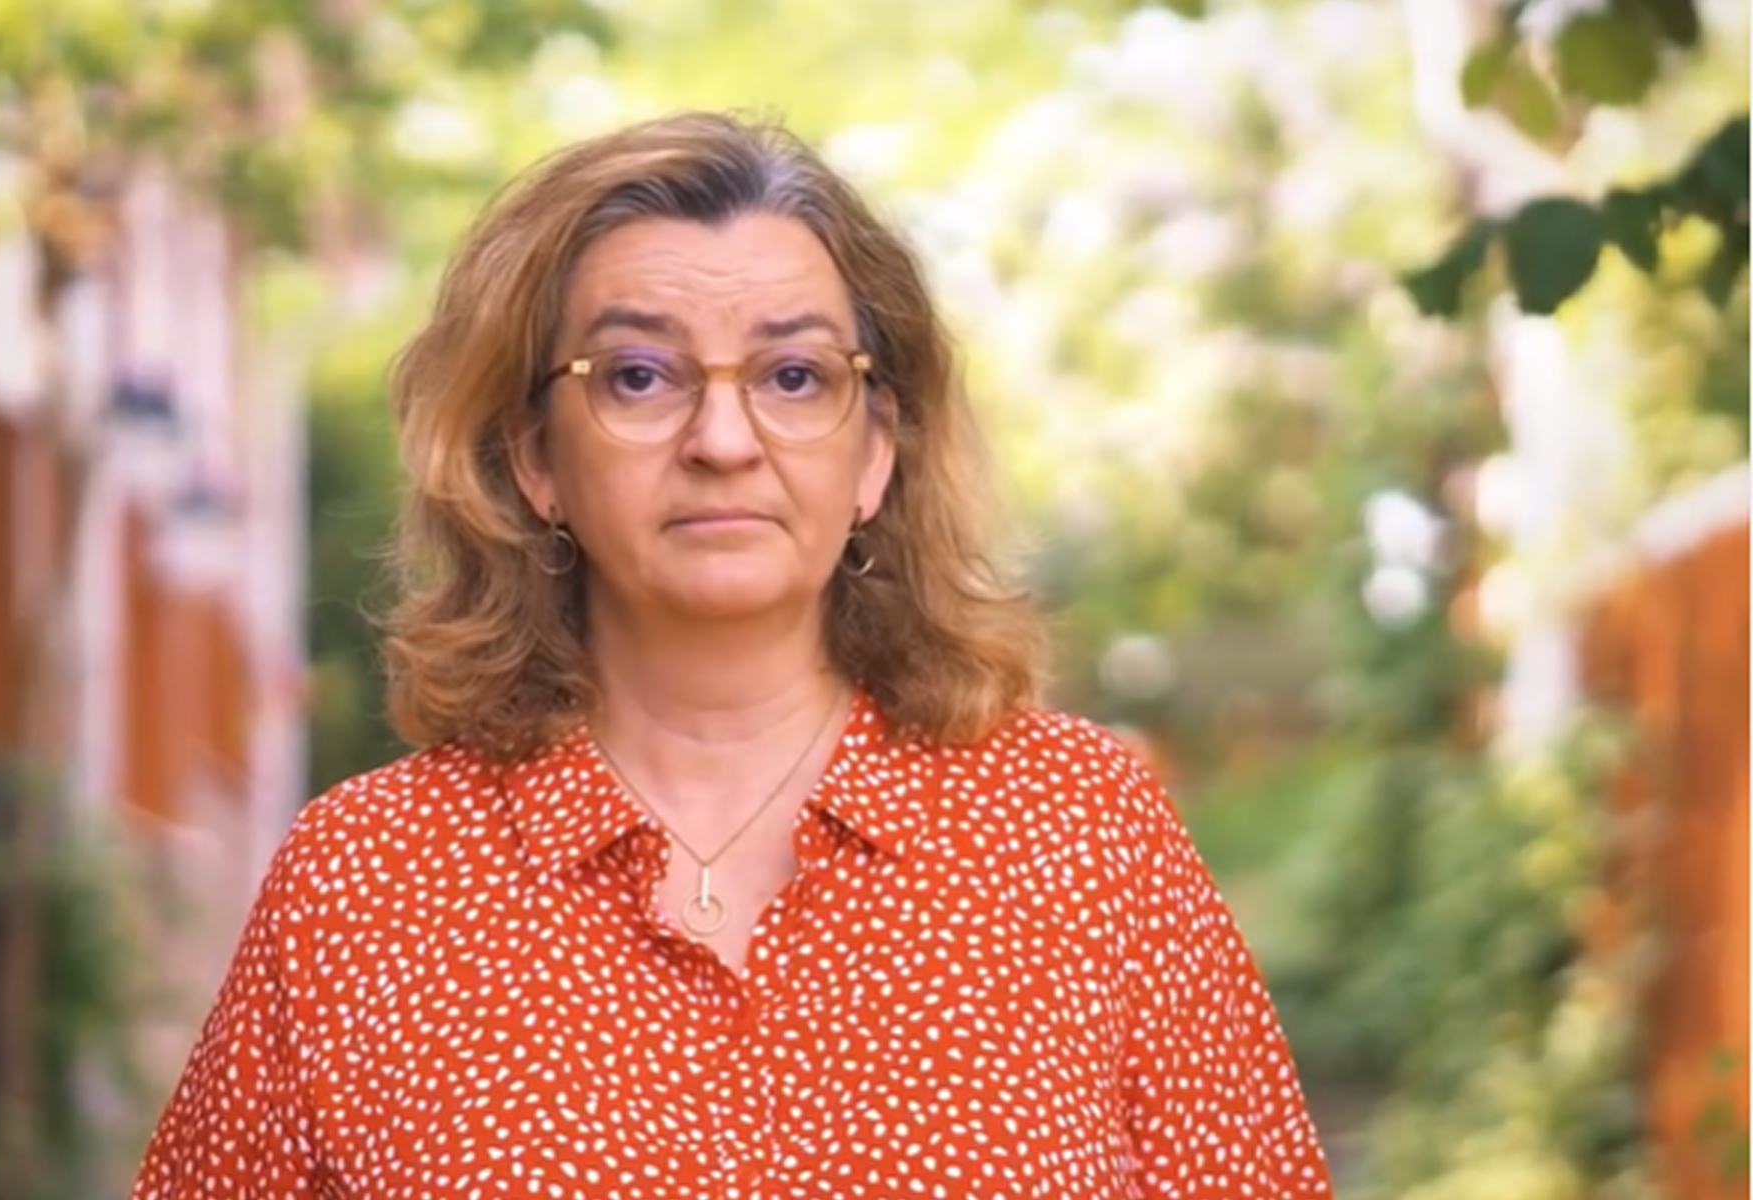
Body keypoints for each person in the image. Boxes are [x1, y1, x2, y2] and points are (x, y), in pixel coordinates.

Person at [132, 110, 1333, 1199]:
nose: (721, 438)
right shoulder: (362, 885)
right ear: (534, 458)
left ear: (874, 454)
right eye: (640, 376)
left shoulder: (1078, 833)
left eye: (794, 376)